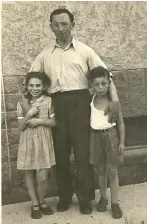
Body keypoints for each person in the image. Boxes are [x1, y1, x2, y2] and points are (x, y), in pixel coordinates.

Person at [24, 8, 120, 214]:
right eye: (56, 25)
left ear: (72, 25)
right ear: (51, 27)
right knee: (60, 154)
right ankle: (65, 197)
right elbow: (29, 82)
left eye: (64, 24)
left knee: (82, 154)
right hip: (56, 105)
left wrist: (115, 100)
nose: (60, 29)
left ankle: (85, 199)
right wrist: (28, 109)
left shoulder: (85, 51)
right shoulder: (44, 55)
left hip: (80, 104)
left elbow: (106, 75)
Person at [17, 72, 56, 219]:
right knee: (29, 174)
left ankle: (41, 201)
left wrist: (39, 121)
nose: (34, 88)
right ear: (27, 86)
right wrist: (29, 114)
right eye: (31, 85)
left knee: (43, 177)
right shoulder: (22, 103)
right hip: (27, 141)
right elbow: (20, 127)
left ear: (44, 86)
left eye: (38, 85)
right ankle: (35, 204)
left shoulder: (49, 101)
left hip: (43, 141)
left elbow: (54, 122)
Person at [88, 66, 125, 219]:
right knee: (100, 171)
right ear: (91, 85)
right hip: (95, 137)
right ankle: (104, 197)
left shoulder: (113, 103)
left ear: (109, 83)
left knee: (112, 171)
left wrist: (122, 142)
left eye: (104, 83)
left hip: (110, 136)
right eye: (97, 84)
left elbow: (121, 124)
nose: (101, 87)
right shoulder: (91, 99)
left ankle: (115, 203)